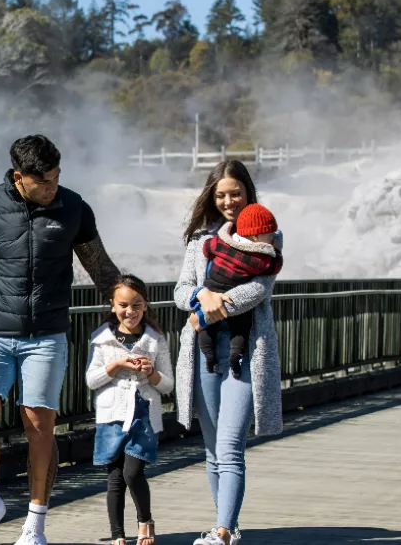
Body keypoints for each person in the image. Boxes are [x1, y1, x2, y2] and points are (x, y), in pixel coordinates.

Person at [0, 134, 121, 545]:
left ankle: (35, 523)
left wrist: (133, 311)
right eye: (44, 181)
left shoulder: (74, 208)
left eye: (57, 177)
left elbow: (101, 267)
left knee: (38, 427)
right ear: (18, 178)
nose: (53, 187)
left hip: (46, 337)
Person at [172, 161, 284, 545]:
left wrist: (215, 305)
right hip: (202, 352)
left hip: (246, 349)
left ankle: (221, 532)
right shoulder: (199, 241)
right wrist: (199, 296)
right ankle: (228, 528)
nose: (228, 201)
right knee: (212, 448)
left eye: (235, 193)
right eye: (220, 194)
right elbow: (180, 290)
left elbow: (259, 289)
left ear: (248, 193)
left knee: (229, 444)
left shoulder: (267, 235)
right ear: (211, 197)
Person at [85, 275, 173, 545]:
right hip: (112, 415)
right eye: (123, 305)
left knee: (132, 472)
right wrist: (117, 365)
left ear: (145, 306)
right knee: (115, 477)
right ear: (113, 305)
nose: (130, 311)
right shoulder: (101, 340)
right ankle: (117, 535)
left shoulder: (155, 340)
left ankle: (145, 520)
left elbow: (168, 385)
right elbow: (91, 380)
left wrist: (152, 373)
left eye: (136, 305)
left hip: (143, 414)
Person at [196, 203, 283, 379]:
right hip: (231, 298)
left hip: (211, 289)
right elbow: (273, 267)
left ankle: (209, 357)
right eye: (269, 234)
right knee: (241, 329)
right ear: (256, 237)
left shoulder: (221, 242)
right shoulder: (258, 258)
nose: (271, 237)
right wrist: (277, 251)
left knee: (206, 330)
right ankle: (235, 357)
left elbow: (206, 249)